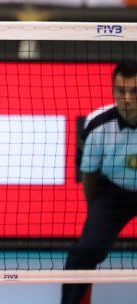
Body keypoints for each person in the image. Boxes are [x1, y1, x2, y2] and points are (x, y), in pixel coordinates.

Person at [62, 60, 137, 304]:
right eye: (121, 91)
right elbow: (89, 176)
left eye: (134, 91)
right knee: (85, 251)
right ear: (113, 91)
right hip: (112, 193)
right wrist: (96, 214)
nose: (126, 98)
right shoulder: (97, 125)